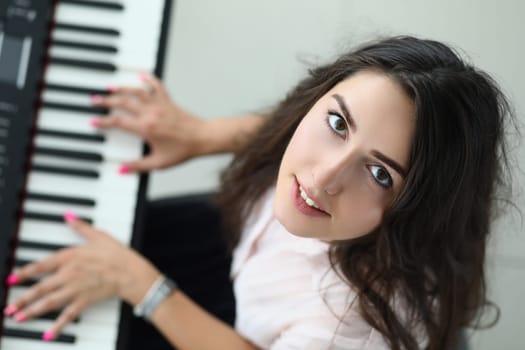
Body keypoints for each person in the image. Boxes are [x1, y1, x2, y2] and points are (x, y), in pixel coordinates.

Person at [3, 36, 515, 350]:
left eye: (380, 174)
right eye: (338, 122)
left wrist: (138, 282)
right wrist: (202, 135)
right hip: (245, 253)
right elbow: (298, 125)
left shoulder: (347, 329)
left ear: (416, 207)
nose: (322, 178)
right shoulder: (319, 169)